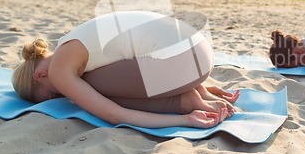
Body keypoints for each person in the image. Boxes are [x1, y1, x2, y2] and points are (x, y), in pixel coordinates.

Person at [12, 11, 239, 129]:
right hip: (202, 52)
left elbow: (113, 114)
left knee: (89, 89)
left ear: (40, 75)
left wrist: (184, 119)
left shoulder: (60, 70)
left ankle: (185, 100)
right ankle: (193, 90)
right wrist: (200, 83)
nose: (62, 95)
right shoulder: (71, 41)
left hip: (183, 65)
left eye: (52, 94)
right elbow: (147, 43)